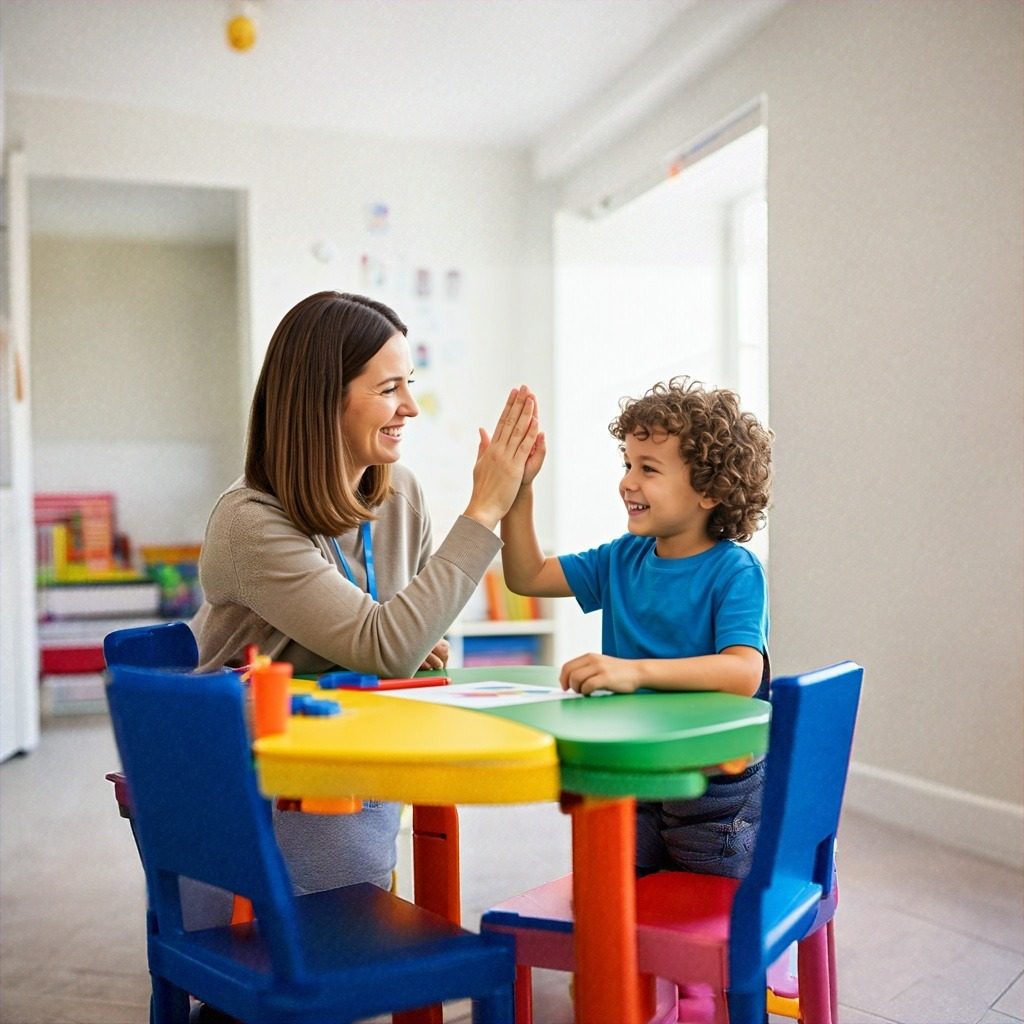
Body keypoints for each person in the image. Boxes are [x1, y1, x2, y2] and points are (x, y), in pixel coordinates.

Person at [190, 290, 539, 906]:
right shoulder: (249, 521)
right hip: (249, 783)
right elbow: (387, 644)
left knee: (358, 921)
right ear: (323, 400)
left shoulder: (400, 493)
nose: (410, 406)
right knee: (324, 950)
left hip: (352, 754)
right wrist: (486, 508)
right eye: (388, 389)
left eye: (409, 383)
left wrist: (419, 638)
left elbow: (414, 635)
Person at [499, 376, 773, 879]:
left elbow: (742, 673)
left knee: (701, 910)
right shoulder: (622, 559)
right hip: (638, 768)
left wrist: (633, 671)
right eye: (627, 463)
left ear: (709, 490)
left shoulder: (736, 571)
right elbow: (526, 576)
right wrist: (520, 492)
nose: (628, 481)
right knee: (624, 891)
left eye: (648, 469)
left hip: (714, 783)